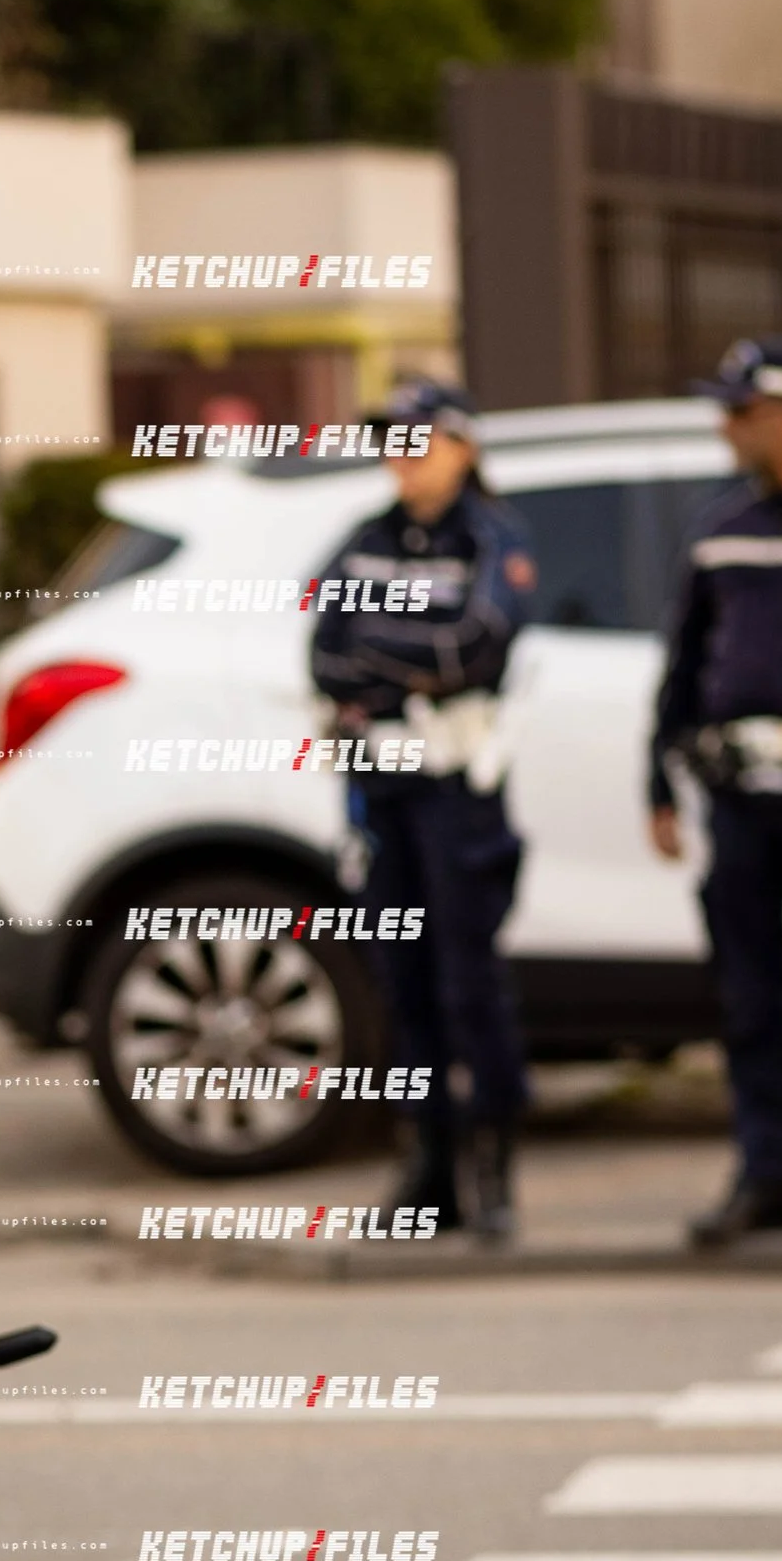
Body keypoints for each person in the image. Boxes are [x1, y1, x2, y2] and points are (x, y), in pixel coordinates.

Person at [307, 377, 532, 1238]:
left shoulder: (491, 536)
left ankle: (494, 1164)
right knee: (404, 981)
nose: (399, 456)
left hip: (456, 790)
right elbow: (327, 653)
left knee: (469, 980)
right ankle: (429, 1168)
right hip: (381, 785)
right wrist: (410, 658)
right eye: (390, 440)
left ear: (463, 446)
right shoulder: (365, 540)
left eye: (418, 439)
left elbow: (475, 647)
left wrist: (382, 651)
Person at [649, 334, 782, 1246]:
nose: (726, 429)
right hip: (741, 804)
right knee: (748, 1002)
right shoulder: (720, 522)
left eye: (741, 412)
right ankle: (767, 1181)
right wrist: (655, 776)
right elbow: (684, 659)